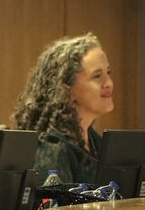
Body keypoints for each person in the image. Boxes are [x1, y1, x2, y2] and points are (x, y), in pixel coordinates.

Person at [11, 33, 113, 185]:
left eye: (108, 73)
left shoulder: (95, 141)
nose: (108, 83)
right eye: (97, 76)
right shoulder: (53, 148)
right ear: (66, 89)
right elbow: (57, 208)